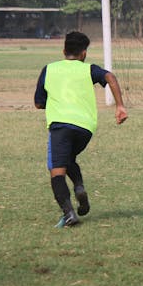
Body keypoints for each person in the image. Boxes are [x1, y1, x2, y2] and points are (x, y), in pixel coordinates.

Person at [34, 31, 128, 227]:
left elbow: (38, 103)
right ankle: (78, 187)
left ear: (63, 51)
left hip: (60, 126)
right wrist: (120, 106)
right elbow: (110, 76)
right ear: (83, 54)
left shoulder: (49, 69)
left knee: (56, 170)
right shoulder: (89, 69)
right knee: (68, 159)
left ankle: (69, 213)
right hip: (85, 128)